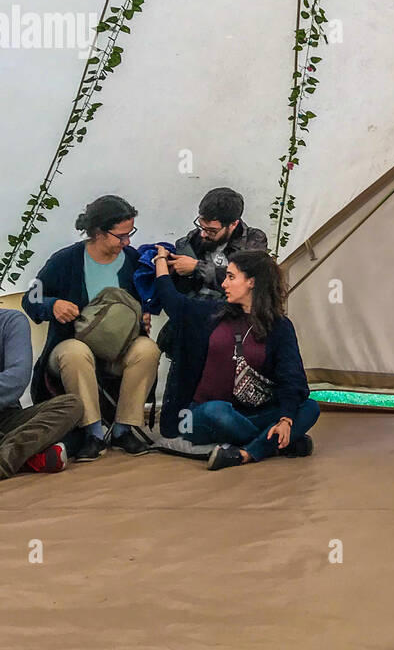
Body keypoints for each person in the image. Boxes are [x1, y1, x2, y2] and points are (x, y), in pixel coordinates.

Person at [151, 245, 319, 472]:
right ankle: (274, 444)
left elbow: (292, 377)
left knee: (309, 407)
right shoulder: (211, 314)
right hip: (198, 414)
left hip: (251, 412)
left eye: (231, 277)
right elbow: (171, 299)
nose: (223, 284)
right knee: (217, 412)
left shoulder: (279, 327)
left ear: (252, 282)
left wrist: (286, 420)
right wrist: (160, 259)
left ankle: (245, 453)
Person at [21, 196, 160, 460]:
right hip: (71, 350)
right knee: (76, 353)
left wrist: (141, 314)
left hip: (117, 350)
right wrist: (53, 305)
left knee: (147, 349)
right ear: (98, 231)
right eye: (121, 236)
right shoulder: (66, 260)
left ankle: (123, 428)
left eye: (130, 234)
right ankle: (93, 433)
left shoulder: (130, 259)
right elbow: (31, 298)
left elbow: (143, 297)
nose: (127, 242)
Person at [0, 306, 82, 477]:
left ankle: (9, 457)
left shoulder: (11, 321)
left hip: (6, 417)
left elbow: (16, 380)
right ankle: (26, 458)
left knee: (71, 404)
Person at [168, 188, 268, 301]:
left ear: (233, 224)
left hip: (233, 312)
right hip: (194, 307)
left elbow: (247, 280)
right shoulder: (194, 238)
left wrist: (197, 267)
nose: (203, 234)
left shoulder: (253, 239)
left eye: (212, 230)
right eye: (201, 226)